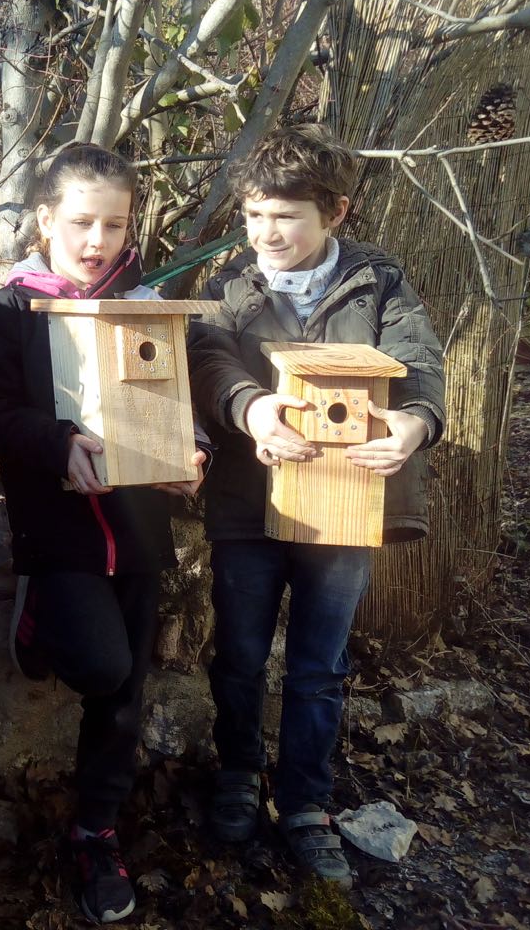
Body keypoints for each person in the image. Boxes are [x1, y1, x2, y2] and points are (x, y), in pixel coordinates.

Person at [189, 123, 446, 887]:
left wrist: (414, 422)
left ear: (335, 212)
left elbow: (419, 360)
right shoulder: (231, 288)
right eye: (253, 214)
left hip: (345, 503)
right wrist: (250, 408)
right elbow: (209, 359)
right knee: (240, 653)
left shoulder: (379, 282)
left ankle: (306, 802)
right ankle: (239, 774)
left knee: (319, 666)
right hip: (249, 503)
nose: (265, 233)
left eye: (286, 216)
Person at [0, 143, 210, 925]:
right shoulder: (9, 312)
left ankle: (95, 833)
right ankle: (35, 613)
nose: (97, 240)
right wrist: (58, 443)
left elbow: (181, 398)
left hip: (139, 533)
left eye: (114, 223)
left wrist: (191, 452)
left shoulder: (145, 306)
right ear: (45, 220)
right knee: (101, 668)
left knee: (125, 696)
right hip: (58, 531)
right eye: (80, 222)